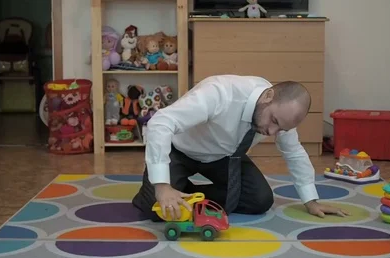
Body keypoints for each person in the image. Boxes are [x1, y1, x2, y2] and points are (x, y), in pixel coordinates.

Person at [132, 75, 349, 221]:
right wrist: (161, 187)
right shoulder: (220, 93)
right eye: (273, 121)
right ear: (268, 96)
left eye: (280, 128)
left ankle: (184, 193)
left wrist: (311, 200)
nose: (272, 132)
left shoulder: (281, 117)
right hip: (179, 150)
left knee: (260, 200)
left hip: (224, 156)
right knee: (156, 207)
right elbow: (160, 123)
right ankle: (163, 189)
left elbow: (293, 152)